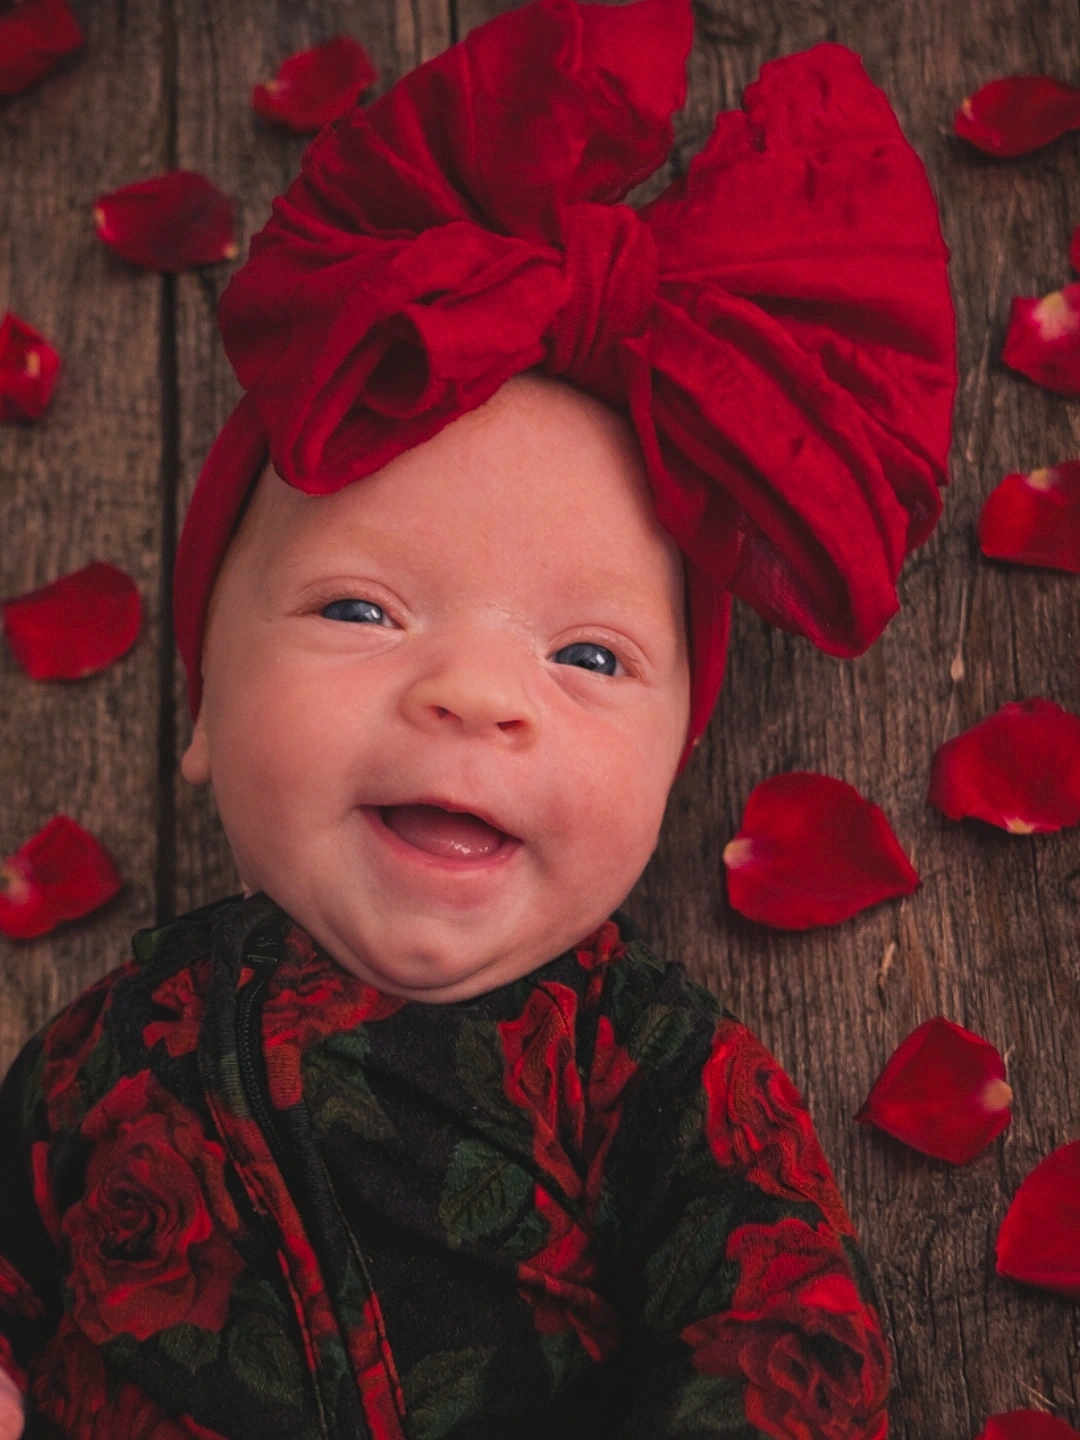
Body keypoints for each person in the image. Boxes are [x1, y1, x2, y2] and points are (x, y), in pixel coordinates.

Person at [0, 0, 956, 1435]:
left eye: (586, 655)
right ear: (200, 705)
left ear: (670, 769)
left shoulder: (649, 1068)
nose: (474, 692)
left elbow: (789, 1342)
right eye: (360, 612)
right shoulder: (96, 1051)